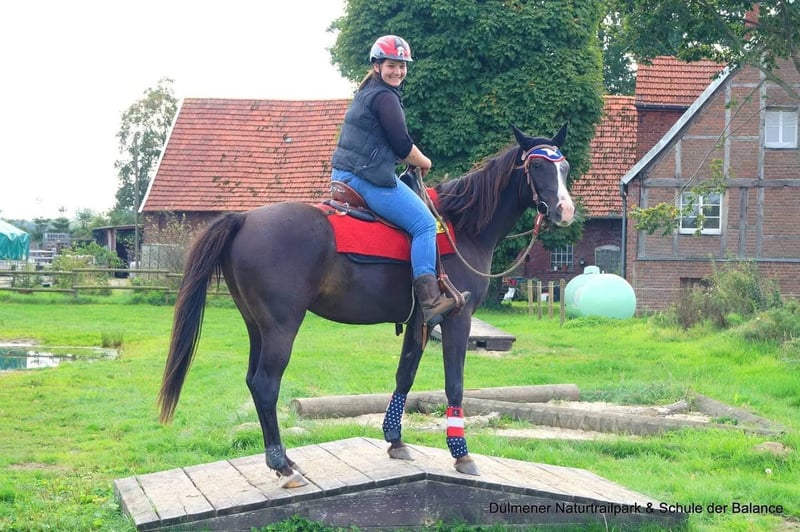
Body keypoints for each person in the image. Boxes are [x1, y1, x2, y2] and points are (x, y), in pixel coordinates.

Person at [331, 35, 469, 326]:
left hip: (347, 174)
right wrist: (425, 161)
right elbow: (402, 145)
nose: (398, 71)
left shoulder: (367, 92)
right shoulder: (385, 97)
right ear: (377, 66)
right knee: (424, 224)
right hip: (366, 178)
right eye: (391, 65)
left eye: (402, 66)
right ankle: (431, 301)